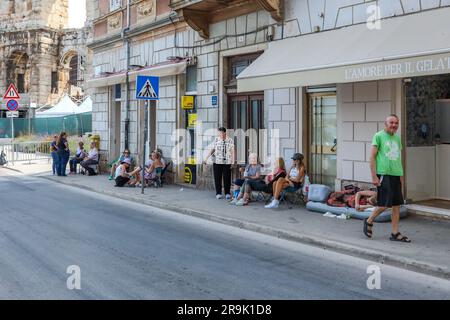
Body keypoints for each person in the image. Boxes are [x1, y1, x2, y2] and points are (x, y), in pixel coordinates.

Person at [363, 114, 410, 242]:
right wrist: (374, 176)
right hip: (383, 174)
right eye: (391, 122)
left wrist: (401, 178)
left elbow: (397, 159)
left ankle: (395, 233)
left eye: (396, 123)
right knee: (384, 204)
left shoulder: (397, 138)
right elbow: (372, 157)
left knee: (396, 205)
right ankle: (369, 220)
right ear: (386, 124)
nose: (394, 125)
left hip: (396, 174)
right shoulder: (378, 136)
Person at [204, 127, 235, 200]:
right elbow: (213, 149)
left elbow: (233, 151)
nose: (220, 134)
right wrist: (206, 158)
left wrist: (233, 161)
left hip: (227, 162)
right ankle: (218, 193)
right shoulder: (216, 140)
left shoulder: (230, 140)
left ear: (224, 133)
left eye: (221, 133)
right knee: (217, 177)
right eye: (219, 133)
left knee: (227, 177)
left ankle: (227, 193)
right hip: (217, 161)